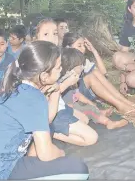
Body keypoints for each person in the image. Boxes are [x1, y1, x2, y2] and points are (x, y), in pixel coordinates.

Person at [0, 41, 89, 180]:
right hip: (1, 173)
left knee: (49, 128)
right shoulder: (34, 97)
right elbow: (46, 154)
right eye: (58, 67)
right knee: (80, 170)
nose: (61, 69)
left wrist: (56, 91)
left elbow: (46, 121)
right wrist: (60, 153)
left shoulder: (18, 86)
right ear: (44, 76)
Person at [34, 18, 98, 146]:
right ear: (36, 38)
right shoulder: (36, 61)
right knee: (92, 138)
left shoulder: (55, 56)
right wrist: (67, 83)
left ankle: (49, 129)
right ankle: (48, 132)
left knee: (85, 120)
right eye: (46, 34)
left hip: (59, 105)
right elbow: (42, 96)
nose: (52, 38)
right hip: (46, 111)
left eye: (55, 33)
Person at [63, 32, 135, 117]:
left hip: (80, 93)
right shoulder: (64, 61)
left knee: (95, 72)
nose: (83, 48)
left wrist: (94, 51)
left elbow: (103, 74)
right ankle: (120, 105)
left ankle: (124, 101)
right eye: (79, 45)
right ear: (68, 47)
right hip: (72, 97)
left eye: (84, 45)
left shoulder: (83, 60)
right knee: (90, 77)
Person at [61, 48, 128, 129]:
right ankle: (109, 123)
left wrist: (89, 102)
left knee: (89, 106)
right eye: (80, 66)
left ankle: (100, 112)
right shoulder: (67, 85)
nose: (82, 67)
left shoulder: (74, 80)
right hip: (69, 109)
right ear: (71, 68)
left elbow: (77, 95)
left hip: (74, 104)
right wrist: (83, 112)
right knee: (90, 110)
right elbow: (69, 107)